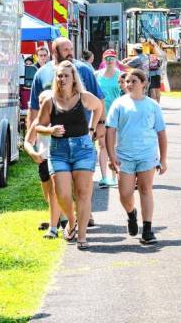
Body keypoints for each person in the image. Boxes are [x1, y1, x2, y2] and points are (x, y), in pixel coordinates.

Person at [36, 61, 103, 250]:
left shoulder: (83, 97)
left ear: (74, 78)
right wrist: (51, 130)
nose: (62, 79)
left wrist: (92, 128)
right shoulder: (50, 100)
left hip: (83, 148)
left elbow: (98, 107)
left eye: (66, 75)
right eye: (59, 75)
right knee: (62, 193)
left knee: (83, 193)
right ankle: (71, 221)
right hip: (59, 151)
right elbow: (38, 126)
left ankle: (82, 236)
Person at [106, 69, 167, 245]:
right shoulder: (119, 104)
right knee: (124, 193)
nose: (130, 84)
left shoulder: (152, 105)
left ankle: (147, 229)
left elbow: (161, 133)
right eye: (127, 81)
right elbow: (111, 131)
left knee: (145, 189)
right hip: (124, 155)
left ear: (143, 83)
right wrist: (111, 156)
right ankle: (131, 213)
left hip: (147, 154)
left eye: (134, 81)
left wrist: (163, 159)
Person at [24, 90, 62, 238]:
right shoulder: (37, 122)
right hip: (43, 160)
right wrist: (33, 153)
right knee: (48, 196)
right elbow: (28, 141)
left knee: (56, 193)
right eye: (40, 102)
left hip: (57, 160)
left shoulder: (59, 118)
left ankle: (59, 224)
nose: (42, 104)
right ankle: (56, 219)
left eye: (44, 101)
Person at [95, 49, 123, 188]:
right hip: (101, 116)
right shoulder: (97, 75)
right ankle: (104, 177)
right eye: (107, 58)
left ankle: (115, 175)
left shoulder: (121, 75)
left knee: (115, 146)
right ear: (103, 60)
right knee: (102, 145)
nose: (110, 60)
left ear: (116, 59)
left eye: (112, 58)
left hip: (116, 116)